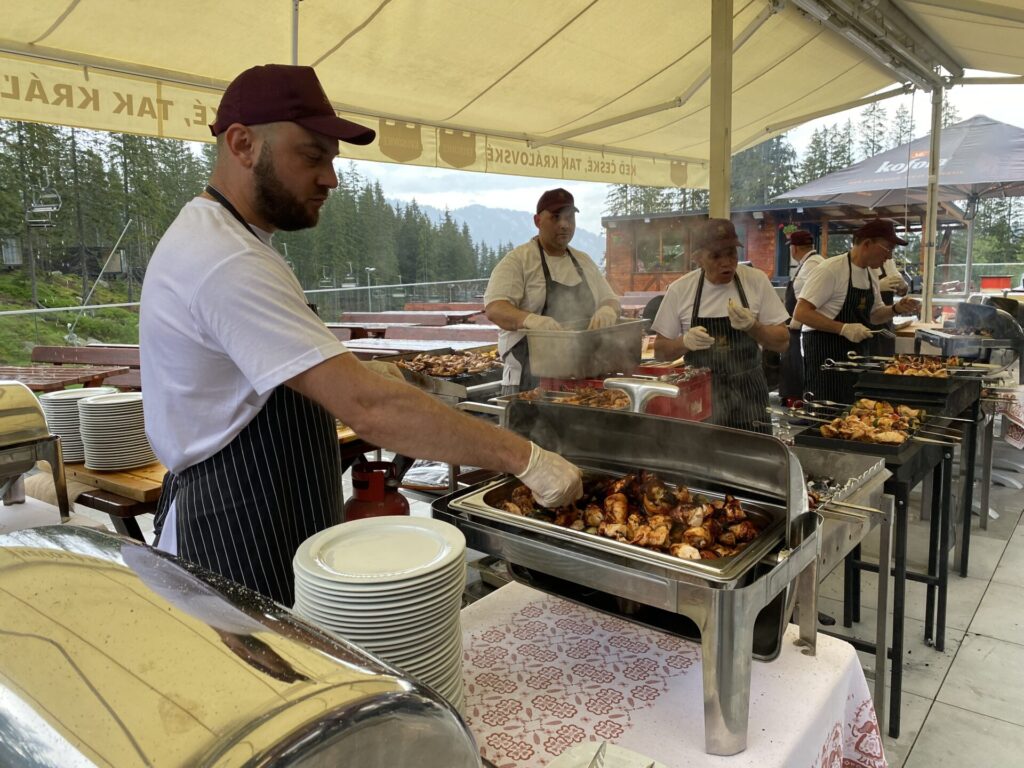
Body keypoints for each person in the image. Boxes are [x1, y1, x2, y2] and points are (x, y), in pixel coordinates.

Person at [140, 64, 582, 606]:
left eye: (332, 158)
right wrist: (526, 459)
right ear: (242, 143)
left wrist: (360, 368)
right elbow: (370, 410)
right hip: (237, 522)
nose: (331, 177)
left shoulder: (232, 240)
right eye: (312, 155)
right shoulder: (225, 258)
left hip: (269, 507)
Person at [651, 218, 789, 432]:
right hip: (700, 397)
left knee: (754, 459)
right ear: (698, 258)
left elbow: (783, 341)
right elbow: (660, 351)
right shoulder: (680, 290)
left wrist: (754, 327)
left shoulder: (756, 281)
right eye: (716, 256)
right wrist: (684, 342)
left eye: (732, 253)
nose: (726, 262)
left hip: (749, 395)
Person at [484, 188, 621, 393]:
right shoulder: (518, 261)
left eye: (569, 218)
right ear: (538, 221)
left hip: (584, 380)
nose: (564, 225)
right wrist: (532, 320)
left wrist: (607, 310)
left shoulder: (583, 261)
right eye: (556, 217)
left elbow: (610, 300)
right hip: (528, 382)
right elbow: (495, 308)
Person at [794, 219, 920, 404]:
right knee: (826, 417)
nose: (889, 257)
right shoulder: (831, 270)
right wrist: (843, 328)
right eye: (888, 249)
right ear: (867, 244)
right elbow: (801, 313)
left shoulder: (870, 274)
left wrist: (896, 309)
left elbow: (874, 316)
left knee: (852, 418)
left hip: (855, 359)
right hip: (827, 359)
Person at [778, 229, 824, 405]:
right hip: (798, 323)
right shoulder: (810, 263)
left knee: (796, 363)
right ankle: (794, 397)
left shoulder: (811, 265)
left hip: (802, 326)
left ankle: (797, 399)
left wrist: (797, 321)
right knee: (793, 362)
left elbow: (810, 297)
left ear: (794, 249)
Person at [867, 259, 910, 356]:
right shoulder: (858, 265)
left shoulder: (888, 261)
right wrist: (878, 286)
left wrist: (902, 285)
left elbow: (902, 291)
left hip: (887, 323)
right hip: (866, 326)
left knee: (886, 360)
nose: (889, 254)